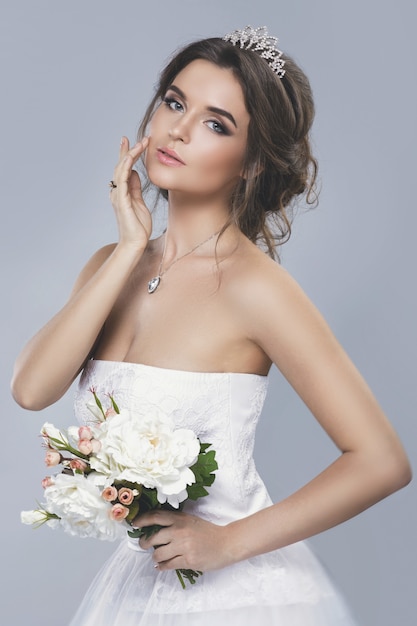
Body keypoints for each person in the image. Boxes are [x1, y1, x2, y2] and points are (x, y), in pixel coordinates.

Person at [12, 26, 411, 626]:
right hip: (142, 585)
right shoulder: (108, 264)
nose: (177, 129)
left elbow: (382, 460)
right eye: (175, 102)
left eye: (215, 123)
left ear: (250, 163)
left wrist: (227, 543)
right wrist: (125, 250)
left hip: (238, 595)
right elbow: (30, 390)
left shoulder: (258, 288)